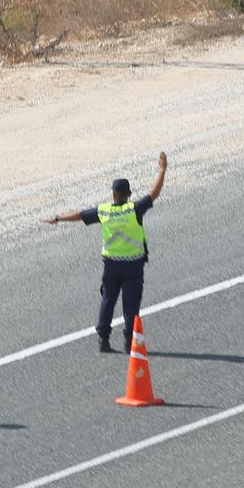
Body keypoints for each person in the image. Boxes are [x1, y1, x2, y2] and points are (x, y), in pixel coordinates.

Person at [44, 152, 167, 354]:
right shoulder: (134, 209)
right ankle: (130, 342)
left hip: (111, 265)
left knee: (108, 300)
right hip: (133, 265)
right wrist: (162, 169)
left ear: (113, 194)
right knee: (131, 304)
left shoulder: (104, 211)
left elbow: (80, 215)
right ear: (129, 194)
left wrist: (57, 218)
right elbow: (154, 194)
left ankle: (103, 340)